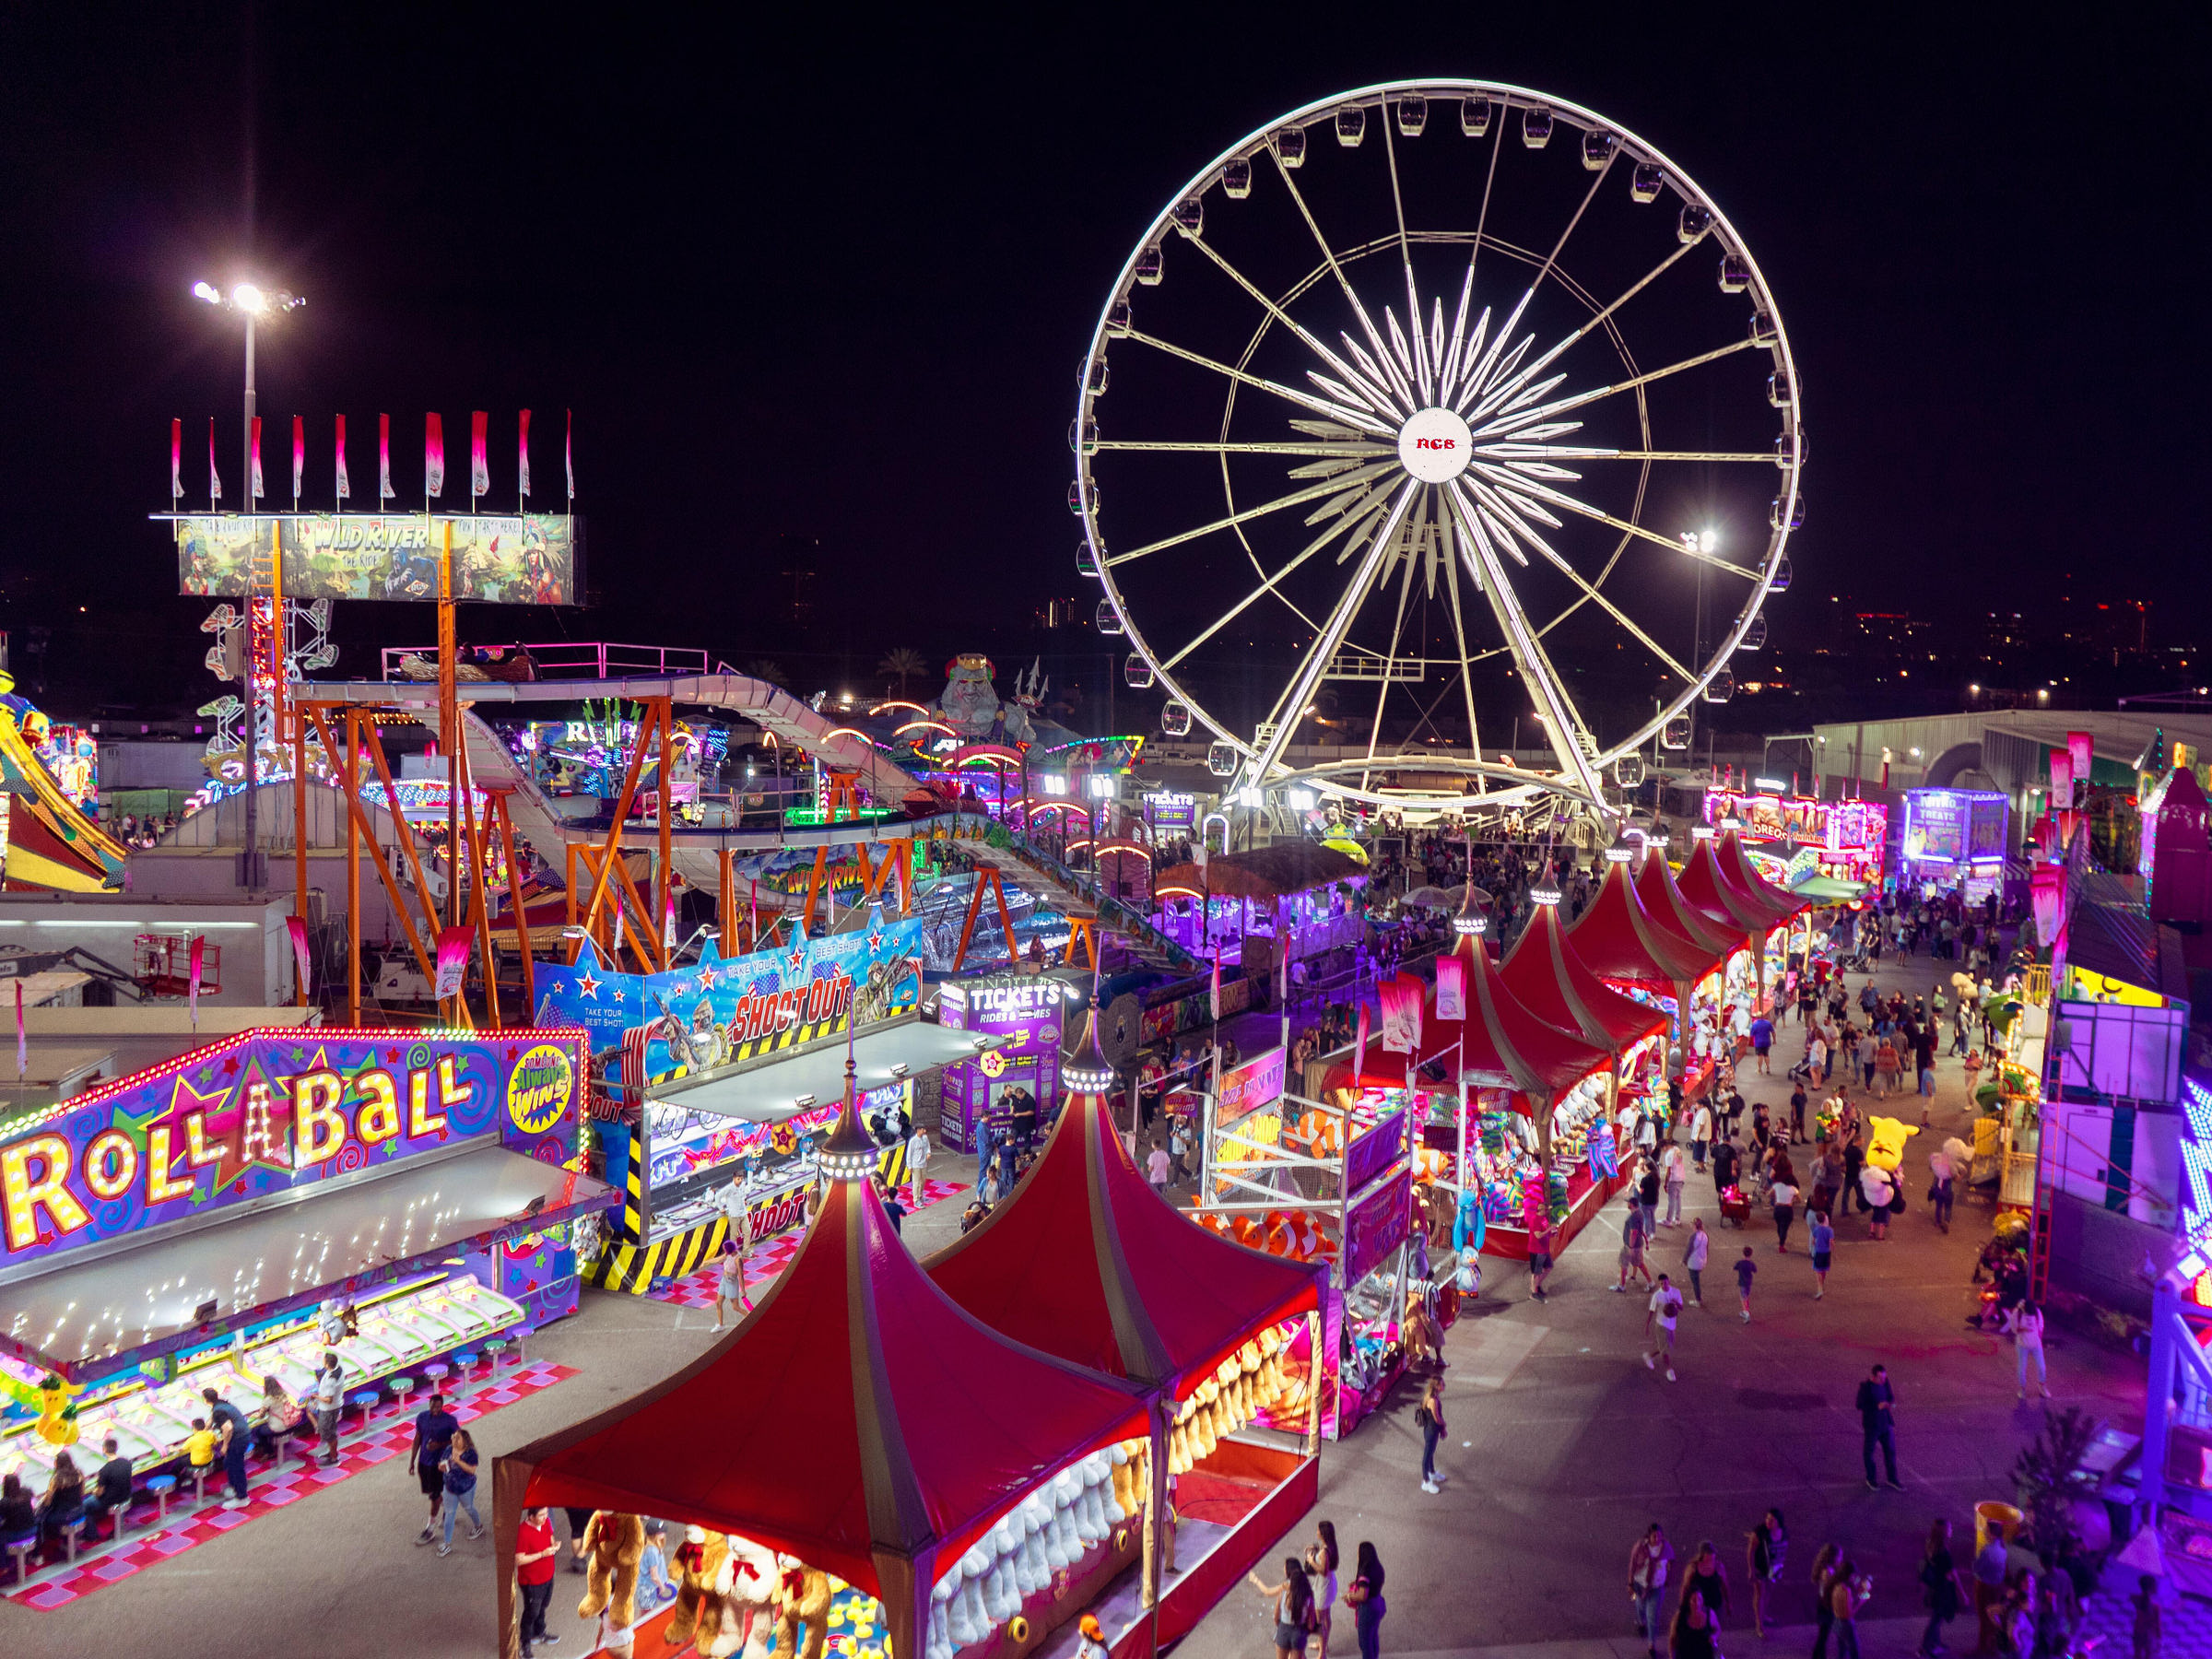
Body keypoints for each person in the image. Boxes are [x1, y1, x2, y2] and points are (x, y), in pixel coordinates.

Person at [410, 1391, 462, 1545]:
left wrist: (439, 1445)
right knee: (435, 1493)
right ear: (429, 1405)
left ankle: (430, 1529)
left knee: (435, 1496)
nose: (435, 1409)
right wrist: (412, 1461)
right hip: (424, 1463)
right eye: (433, 1406)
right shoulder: (422, 1418)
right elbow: (417, 1438)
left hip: (441, 1464)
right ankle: (449, 1509)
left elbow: (458, 1441)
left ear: (442, 1406)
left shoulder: (450, 1421)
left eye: (438, 1407)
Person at [1244, 1556, 1317, 1659]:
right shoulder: (1308, 1593)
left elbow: (1269, 1595)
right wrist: (1305, 1632)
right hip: (1299, 1633)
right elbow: (1311, 1623)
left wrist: (1255, 1579)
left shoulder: (1285, 1589)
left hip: (1283, 1630)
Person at [517, 1505, 563, 1658]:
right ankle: (525, 1644)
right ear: (531, 1517)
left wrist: (554, 1546)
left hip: (548, 1575)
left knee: (543, 1606)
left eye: (546, 1514)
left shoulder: (546, 1523)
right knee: (531, 1612)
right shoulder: (522, 1532)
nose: (546, 1518)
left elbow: (550, 1539)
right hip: (532, 1582)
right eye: (541, 1515)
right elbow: (519, 1559)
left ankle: (539, 1632)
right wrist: (542, 1554)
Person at [1630, 1523, 1675, 1659]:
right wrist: (1630, 1583)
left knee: (1652, 1616)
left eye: (1659, 1535)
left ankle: (1651, 1645)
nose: (1657, 1538)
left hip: (1657, 1587)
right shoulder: (1641, 1547)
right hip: (1641, 1584)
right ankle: (1640, 1621)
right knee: (1640, 1606)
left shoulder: (1665, 1547)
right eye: (1654, 1536)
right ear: (1649, 1536)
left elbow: (1671, 1560)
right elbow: (1633, 1563)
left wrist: (1667, 1575)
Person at [1920, 1517, 1963, 1659]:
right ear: (1944, 1532)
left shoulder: (1930, 1544)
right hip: (1942, 1590)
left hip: (1933, 1587)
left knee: (1936, 1617)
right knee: (1936, 1619)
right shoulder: (1944, 1553)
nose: (1952, 1530)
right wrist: (1962, 1594)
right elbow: (1952, 1574)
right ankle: (1925, 1648)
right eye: (1949, 1528)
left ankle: (1936, 1643)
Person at [436, 1425, 482, 1555]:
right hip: (450, 1487)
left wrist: (458, 1461)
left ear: (465, 1441)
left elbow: (472, 1470)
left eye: (458, 1438)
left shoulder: (470, 1453)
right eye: (454, 1437)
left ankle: (478, 1526)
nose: (455, 1440)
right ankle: (447, 1543)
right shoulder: (449, 1449)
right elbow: (441, 1463)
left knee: (469, 1508)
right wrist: (441, 1467)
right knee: (449, 1513)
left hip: (465, 1488)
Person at [203, 1383, 251, 1509]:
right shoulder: (222, 1404)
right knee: (230, 1464)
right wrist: (204, 1430)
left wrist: (224, 1445)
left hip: (238, 1438)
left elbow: (228, 1428)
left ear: (206, 1400)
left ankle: (242, 1497)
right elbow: (213, 1418)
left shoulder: (218, 1410)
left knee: (235, 1467)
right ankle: (235, 1489)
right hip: (244, 1434)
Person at [82, 1435, 135, 1541]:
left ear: (104, 1450)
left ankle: (91, 1534)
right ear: (116, 1448)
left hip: (110, 1499)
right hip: (126, 1494)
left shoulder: (105, 1470)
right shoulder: (126, 1462)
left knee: (85, 1505)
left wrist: (94, 1492)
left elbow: (100, 1492)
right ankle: (119, 1527)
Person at [1856, 1363, 1900, 1489]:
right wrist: (1877, 1406)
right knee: (1869, 1453)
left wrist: (1890, 1403)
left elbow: (1891, 1397)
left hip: (1886, 1424)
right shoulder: (1865, 1387)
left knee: (1891, 1452)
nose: (1883, 1381)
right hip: (1872, 1425)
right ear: (1873, 1377)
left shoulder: (1885, 1383)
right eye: (1881, 1378)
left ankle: (1892, 1479)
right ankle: (1871, 1479)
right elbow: (1859, 1405)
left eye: (1884, 1378)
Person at [1746, 1510, 1787, 1639]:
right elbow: (1750, 1552)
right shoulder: (1760, 1533)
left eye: (1772, 1520)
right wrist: (1751, 1569)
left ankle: (1763, 1615)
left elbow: (1784, 1547)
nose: (1768, 1522)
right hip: (1761, 1568)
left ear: (1778, 1522)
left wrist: (1781, 1564)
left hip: (1775, 1568)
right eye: (1767, 1519)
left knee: (1769, 1592)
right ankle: (1759, 1625)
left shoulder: (1783, 1533)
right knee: (1760, 1594)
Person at [36, 1450, 85, 1557]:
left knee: (40, 1520)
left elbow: (48, 1501)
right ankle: (66, 1541)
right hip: (79, 1510)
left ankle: (39, 1553)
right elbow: (82, 1492)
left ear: (57, 1463)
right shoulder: (79, 1473)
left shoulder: (57, 1478)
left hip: (65, 1515)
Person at [1306, 1523, 1340, 1659]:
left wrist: (1311, 1560)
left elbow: (1323, 1571)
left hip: (1323, 1588)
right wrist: (1315, 1550)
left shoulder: (1324, 1552)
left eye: (1318, 1530)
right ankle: (1323, 1644)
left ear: (1323, 1534)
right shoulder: (1330, 1546)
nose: (1317, 1532)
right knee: (1326, 1616)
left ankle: (1322, 1653)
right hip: (1329, 1585)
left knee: (1320, 1621)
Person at [1347, 1542, 1386, 1659]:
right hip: (1378, 1603)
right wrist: (1357, 1583)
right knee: (1373, 1637)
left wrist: (1349, 1596)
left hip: (1368, 1609)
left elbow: (1362, 1596)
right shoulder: (1378, 1568)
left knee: (1365, 1644)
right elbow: (1372, 1584)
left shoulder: (1364, 1572)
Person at [1644, 1274, 1683, 1382]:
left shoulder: (1676, 1292)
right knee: (1665, 1351)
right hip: (1661, 1325)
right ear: (1659, 1283)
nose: (1664, 1285)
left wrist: (1675, 1303)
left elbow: (1682, 1308)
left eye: (1665, 1282)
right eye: (1661, 1283)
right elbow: (1651, 1310)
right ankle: (1669, 1371)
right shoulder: (1657, 1295)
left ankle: (1649, 1356)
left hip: (1672, 1325)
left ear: (1668, 1281)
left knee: (1666, 1346)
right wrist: (1647, 1324)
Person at [1682, 1538, 1729, 1627]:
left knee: (1714, 1628)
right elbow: (1685, 1587)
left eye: (1713, 1553)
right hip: (1699, 1605)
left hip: (1715, 1604)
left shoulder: (1719, 1566)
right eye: (1709, 1553)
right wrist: (1683, 1605)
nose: (1712, 1555)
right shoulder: (1693, 1568)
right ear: (1702, 1554)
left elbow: (1725, 1585)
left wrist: (1728, 1602)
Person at [1830, 1559, 1869, 1659]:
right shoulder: (1845, 1590)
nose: (1855, 1578)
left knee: (1842, 1651)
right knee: (1854, 1652)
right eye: (1854, 1575)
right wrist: (1862, 1601)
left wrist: (1858, 1596)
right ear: (1849, 1575)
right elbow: (1849, 1613)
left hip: (1836, 1622)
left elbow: (1843, 1604)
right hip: (1846, 1624)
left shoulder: (1836, 1586)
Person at [312, 1353, 346, 1465]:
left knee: (328, 1432)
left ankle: (334, 1457)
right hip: (333, 1406)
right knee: (329, 1431)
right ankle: (331, 1452)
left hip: (329, 1409)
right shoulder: (338, 1369)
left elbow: (328, 1399)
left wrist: (316, 1396)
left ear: (327, 1364)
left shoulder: (331, 1379)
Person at [1415, 1376, 1447, 1492]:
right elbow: (1437, 1418)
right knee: (1427, 1455)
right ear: (1436, 1386)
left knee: (1431, 1452)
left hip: (1433, 1430)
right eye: (1442, 1384)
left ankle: (1432, 1472)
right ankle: (1426, 1481)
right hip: (1431, 1431)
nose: (1444, 1385)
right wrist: (1444, 1426)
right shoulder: (1432, 1400)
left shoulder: (1434, 1397)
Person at [1616, 1198, 1654, 1292]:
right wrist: (1646, 1241)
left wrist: (1630, 1247)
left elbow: (1634, 1233)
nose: (1627, 1204)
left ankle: (1622, 1286)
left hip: (1631, 1246)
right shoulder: (1639, 1213)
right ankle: (1650, 1282)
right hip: (1638, 1244)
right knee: (1640, 1263)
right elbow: (1641, 1230)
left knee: (1623, 1264)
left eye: (1628, 1203)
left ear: (1632, 1204)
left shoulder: (1633, 1217)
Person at [2014, 1300, 2049, 1403]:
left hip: (2036, 1345)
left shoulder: (2037, 1312)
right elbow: (2014, 1329)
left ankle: (2042, 1386)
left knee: (2042, 1367)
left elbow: (2041, 1327)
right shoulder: (2017, 1313)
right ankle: (2022, 1389)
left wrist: (2038, 1338)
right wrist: (2023, 1329)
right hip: (2022, 1346)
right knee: (2021, 1369)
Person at [639, 1520, 677, 1606]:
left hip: (649, 1586)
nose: (664, 1533)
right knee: (648, 1612)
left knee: (647, 1611)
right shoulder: (652, 1551)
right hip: (648, 1587)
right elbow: (654, 1576)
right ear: (654, 1535)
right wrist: (661, 1586)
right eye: (661, 1532)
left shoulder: (655, 1548)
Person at [1671, 1589, 1717, 1659]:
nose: (1697, 1603)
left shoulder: (1709, 1614)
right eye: (1694, 1600)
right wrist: (1672, 1657)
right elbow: (1673, 1640)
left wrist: (1714, 1636)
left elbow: (1717, 1629)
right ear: (1688, 1601)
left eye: (1700, 1599)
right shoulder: (1680, 1617)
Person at [2130, 1572, 2160, 1659]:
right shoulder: (2155, 1606)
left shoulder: (2135, 1599)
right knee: (2148, 1655)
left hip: (2137, 1631)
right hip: (2149, 1635)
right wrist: (2159, 1639)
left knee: (2137, 1654)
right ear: (2152, 1587)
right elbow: (2158, 1625)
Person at [1683, 1218, 1711, 1307]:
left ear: (1695, 1226)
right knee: (1696, 1280)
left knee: (1695, 1282)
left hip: (1694, 1262)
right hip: (1702, 1261)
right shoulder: (1705, 1235)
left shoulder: (1693, 1236)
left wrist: (1684, 1260)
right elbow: (1707, 1249)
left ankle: (1698, 1300)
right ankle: (1698, 1299)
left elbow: (1689, 1250)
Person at [1661, 1141, 1688, 1227]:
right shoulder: (1677, 1149)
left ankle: (1668, 1220)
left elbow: (1668, 1171)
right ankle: (1677, 1218)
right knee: (1678, 1199)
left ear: (1664, 1146)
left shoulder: (1669, 1155)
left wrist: (1666, 1184)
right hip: (1681, 1177)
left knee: (1671, 1200)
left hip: (1673, 1179)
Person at [907, 1123, 933, 1210]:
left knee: (923, 1181)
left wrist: (928, 1153)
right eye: (922, 1129)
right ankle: (916, 1199)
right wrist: (909, 1166)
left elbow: (928, 1147)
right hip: (916, 1165)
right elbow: (909, 1154)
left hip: (924, 1163)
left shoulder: (925, 1138)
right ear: (918, 1130)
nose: (924, 1131)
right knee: (916, 1183)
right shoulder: (913, 1141)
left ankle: (921, 1195)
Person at [1528, 1217, 1555, 1302]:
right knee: (1536, 1273)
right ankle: (1533, 1294)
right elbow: (1538, 1235)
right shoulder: (1534, 1220)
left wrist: (1552, 1233)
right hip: (1537, 1250)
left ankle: (1536, 1286)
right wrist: (1549, 1229)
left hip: (1544, 1249)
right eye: (1545, 1208)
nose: (1548, 1209)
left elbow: (1546, 1230)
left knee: (1548, 1267)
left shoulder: (1544, 1218)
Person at [1809, 1211, 1835, 1299]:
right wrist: (1832, 1249)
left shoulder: (1816, 1229)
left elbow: (1813, 1241)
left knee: (1818, 1271)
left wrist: (1815, 1245)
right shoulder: (1830, 1230)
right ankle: (1822, 1285)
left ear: (1817, 1220)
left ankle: (1820, 1290)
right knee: (1824, 1270)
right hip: (1827, 1252)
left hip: (1819, 1252)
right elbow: (1831, 1242)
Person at [1772, 1174, 1799, 1253]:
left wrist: (1776, 1198)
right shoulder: (1793, 1189)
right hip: (1787, 1209)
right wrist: (1792, 1200)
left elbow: (1769, 1194)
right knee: (1784, 1228)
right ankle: (1781, 1245)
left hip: (1778, 1208)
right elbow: (1799, 1199)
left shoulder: (1777, 1185)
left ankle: (1781, 1238)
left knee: (1779, 1225)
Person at [1734, 1245, 1758, 1323]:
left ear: (1743, 1254)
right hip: (1749, 1282)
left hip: (1742, 1282)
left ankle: (1746, 1313)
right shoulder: (1751, 1263)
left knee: (1743, 1298)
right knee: (1746, 1296)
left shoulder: (1740, 1263)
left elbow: (1735, 1268)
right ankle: (1745, 1311)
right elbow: (1755, 1270)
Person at [1690, 1100, 1712, 1170]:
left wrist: (1697, 1136)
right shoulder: (1704, 1111)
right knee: (1701, 1152)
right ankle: (1701, 1166)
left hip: (1701, 1137)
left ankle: (1700, 1167)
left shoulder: (1703, 1112)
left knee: (1699, 1152)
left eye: (1697, 1104)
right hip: (1702, 1136)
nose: (1695, 1106)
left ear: (1702, 1105)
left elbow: (1701, 1125)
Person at [1749, 1009, 1773, 1073]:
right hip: (1767, 1042)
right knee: (1766, 1055)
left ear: (1757, 1017)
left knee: (1760, 1056)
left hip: (1758, 1043)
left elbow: (1752, 1035)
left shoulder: (1755, 1024)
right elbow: (1773, 1032)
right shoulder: (1768, 1023)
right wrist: (1774, 1040)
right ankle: (1768, 1068)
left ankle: (1759, 1069)